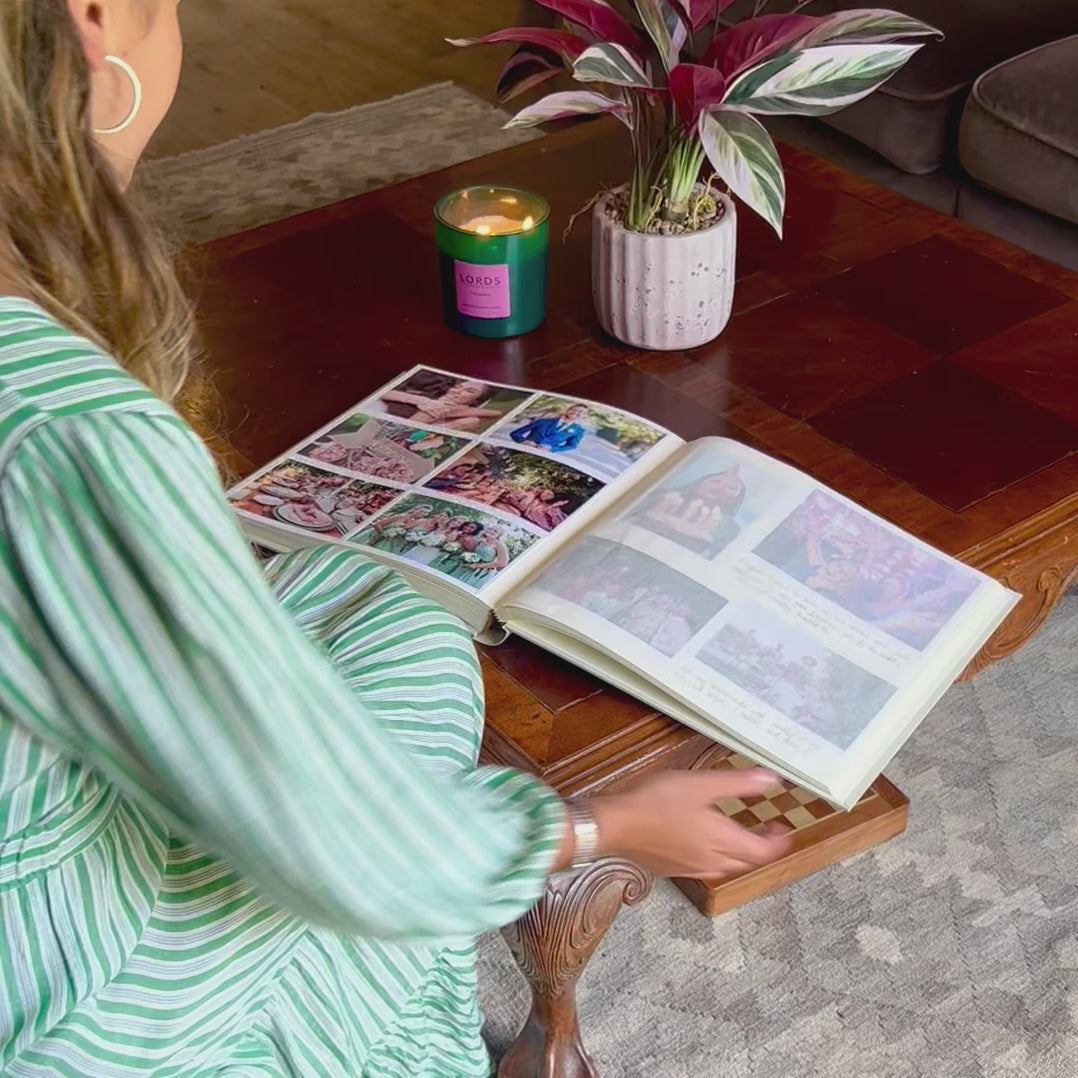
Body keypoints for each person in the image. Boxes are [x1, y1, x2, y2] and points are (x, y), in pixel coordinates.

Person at [0, 3, 792, 1074]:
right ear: (97, 24)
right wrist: (600, 829)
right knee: (379, 860)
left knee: (375, 598)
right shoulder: (67, 434)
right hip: (66, 986)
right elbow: (350, 853)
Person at [509, 402, 589, 452]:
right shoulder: (543, 421)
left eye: (580, 412)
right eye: (573, 409)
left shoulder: (579, 430)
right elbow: (515, 433)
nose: (575, 412)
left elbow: (572, 446)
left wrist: (552, 449)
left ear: (583, 416)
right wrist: (522, 441)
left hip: (544, 454)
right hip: (524, 448)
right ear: (567, 410)